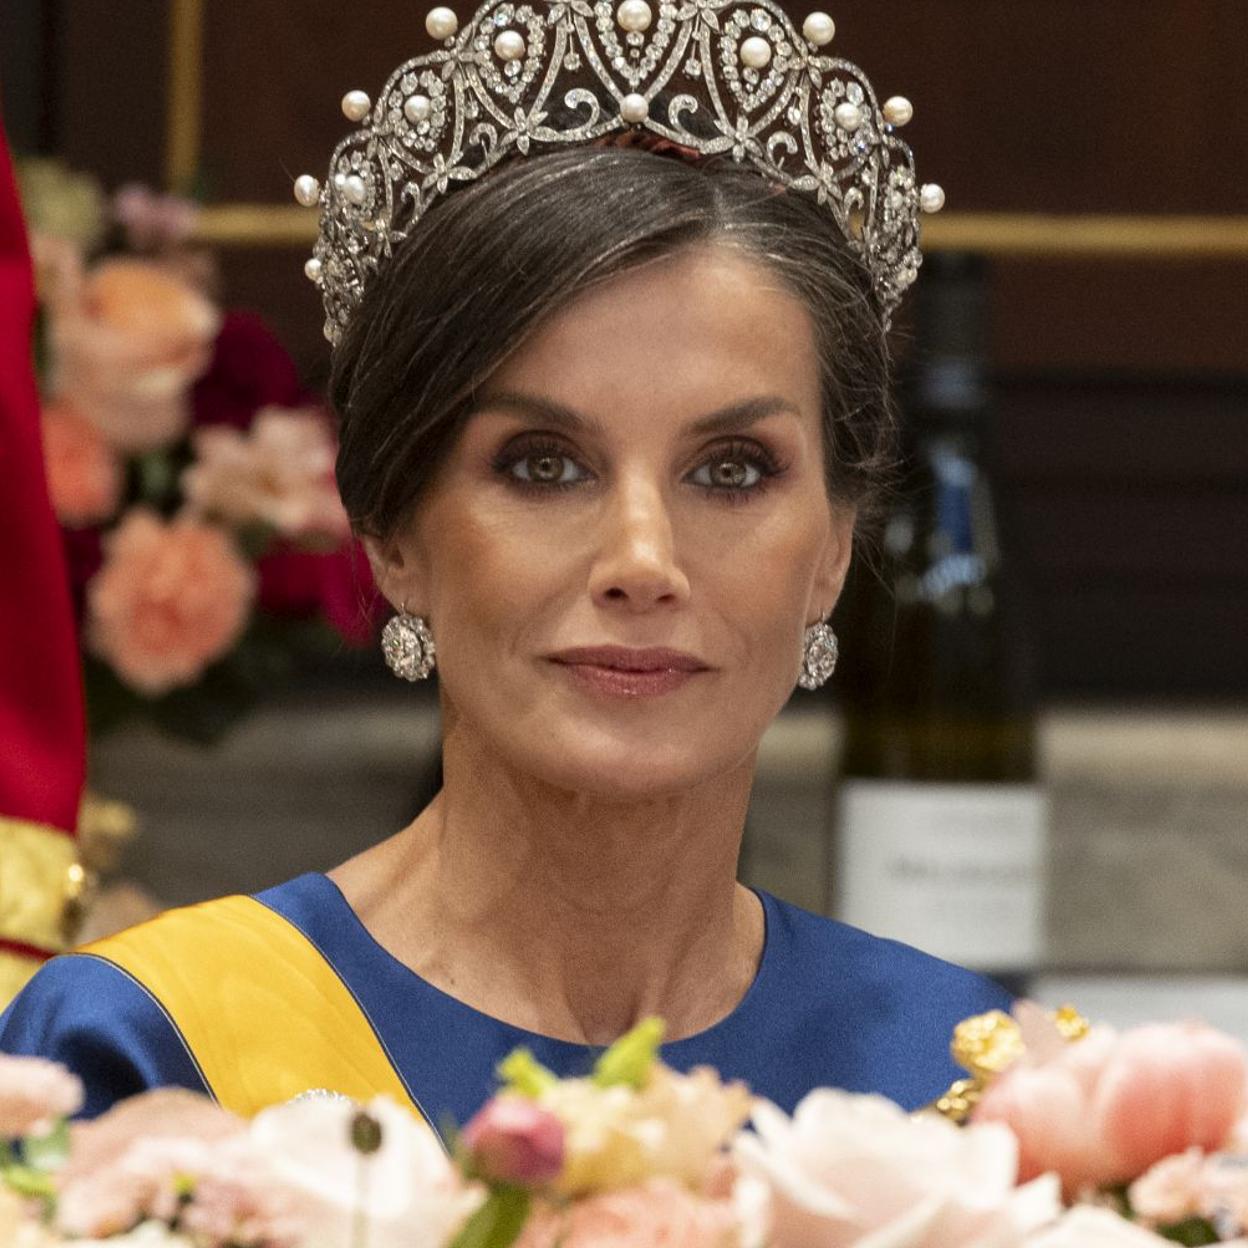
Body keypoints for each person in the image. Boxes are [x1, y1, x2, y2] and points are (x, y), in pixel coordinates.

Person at [0, 3, 1013, 1131]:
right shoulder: (147, 1055)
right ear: (393, 536)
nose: (642, 560)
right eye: (543, 465)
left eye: (731, 471)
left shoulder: (968, 1087)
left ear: (830, 552)